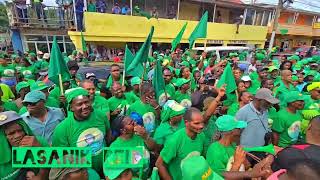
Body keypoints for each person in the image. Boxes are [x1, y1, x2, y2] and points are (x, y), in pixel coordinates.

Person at [52, 87, 111, 176]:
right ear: (71, 108)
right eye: (79, 104)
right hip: (82, 174)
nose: (85, 106)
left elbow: (108, 133)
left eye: (86, 102)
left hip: (105, 168)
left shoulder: (100, 115)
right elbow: (61, 156)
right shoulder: (62, 129)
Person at [156, 108, 206, 180]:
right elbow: (159, 164)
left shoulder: (201, 135)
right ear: (186, 123)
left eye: (202, 122)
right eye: (196, 123)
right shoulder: (175, 140)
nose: (201, 126)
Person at [0, 111, 49, 180]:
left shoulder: (39, 142)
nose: (18, 135)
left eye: (20, 130)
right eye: (11, 133)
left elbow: (55, 167)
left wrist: (39, 150)